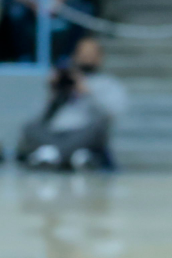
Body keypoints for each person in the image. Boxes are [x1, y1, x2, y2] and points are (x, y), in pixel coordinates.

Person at [19, 36, 126, 170]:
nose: (86, 58)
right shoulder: (64, 80)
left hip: (83, 132)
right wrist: (52, 93)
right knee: (29, 127)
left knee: (101, 125)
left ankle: (52, 155)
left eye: (90, 55)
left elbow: (112, 113)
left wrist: (87, 92)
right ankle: (73, 157)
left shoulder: (108, 83)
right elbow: (38, 115)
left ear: (100, 57)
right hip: (56, 132)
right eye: (82, 54)